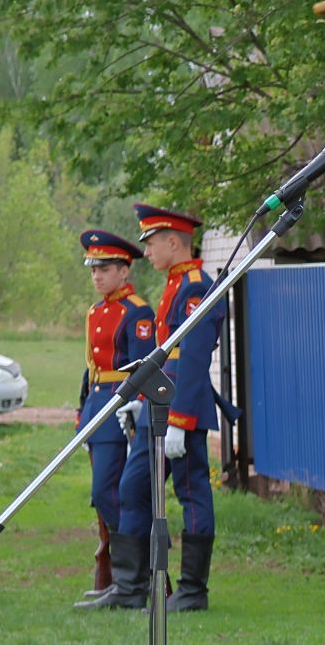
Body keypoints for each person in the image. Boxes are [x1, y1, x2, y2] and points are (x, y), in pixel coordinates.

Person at [83, 202, 225, 612]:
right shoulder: (176, 283)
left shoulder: (196, 286)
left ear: (173, 241)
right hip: (156, 406)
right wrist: (138, 397)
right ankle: (130, 587)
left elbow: (194, 359)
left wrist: (180, 420)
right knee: (132, 487)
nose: (146, 252)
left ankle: (192, 590)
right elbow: (163, 357)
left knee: (191, 493)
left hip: (182, 409)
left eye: (151, 243)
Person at [72, 229, 152, 607]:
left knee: (117, 492)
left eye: (105, 269)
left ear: (124, 270)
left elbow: (144, 366)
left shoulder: (137, 311)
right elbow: (91, 367)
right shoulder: (95, 312)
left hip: (122, 407)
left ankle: (133, 579)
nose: (97, 276)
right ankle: (123, 579)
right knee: (105, 494)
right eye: (93, 270)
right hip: (98, 407)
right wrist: (82, 409)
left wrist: (135, 406)